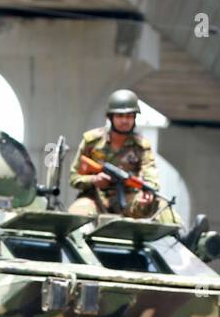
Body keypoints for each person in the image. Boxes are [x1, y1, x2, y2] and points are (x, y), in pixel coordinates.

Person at [67, 89, 170, 221]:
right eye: (120, 116)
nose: (125, 121)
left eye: (129, 116)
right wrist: (94, 180)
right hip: (95, 198)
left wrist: (148, 190)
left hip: (129, 198)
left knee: (162, 205)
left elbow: (150, 173)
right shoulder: (92, 141)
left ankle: (184, 237)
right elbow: (74, 177)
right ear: (110, 117)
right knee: (77, 212)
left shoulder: (141, 146)